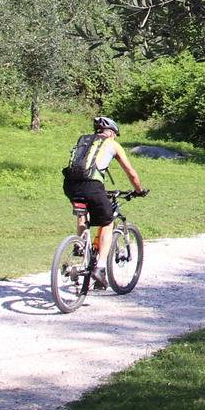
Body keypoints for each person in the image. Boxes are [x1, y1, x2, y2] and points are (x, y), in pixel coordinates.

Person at [64, 116, 147, 288]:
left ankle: (79, 246)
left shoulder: (84, 141)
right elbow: (130, 172)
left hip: (70, 185)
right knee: (107, 222)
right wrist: (139, 190)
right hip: (92, 186)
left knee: (83, 213)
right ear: (111, 132)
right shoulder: (112, 144)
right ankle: (100, 268)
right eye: (115, 134)